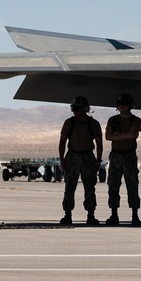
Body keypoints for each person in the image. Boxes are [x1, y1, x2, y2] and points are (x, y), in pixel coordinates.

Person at [58, 96, 103, 225]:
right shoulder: (69, 123)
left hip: (88, 158)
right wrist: (62, 160)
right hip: (72, 157)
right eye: (73, 109)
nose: (74, 112)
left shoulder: (93, 124)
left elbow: (99, 143)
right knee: (69, 187)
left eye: (77, 109)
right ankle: (67, 214)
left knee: (89, 187)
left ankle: (91, 214)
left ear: (85, 109)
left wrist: (98, 160)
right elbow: (62, 142)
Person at [105, 93, 141, 225]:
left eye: (125, 104)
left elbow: (132, 135)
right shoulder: (112, 120)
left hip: (129, 155)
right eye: (120, 103)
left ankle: (135, 215)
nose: (122, 106)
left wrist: (118, 135)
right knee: (113, 185)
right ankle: (114, 214)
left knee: (132, 185)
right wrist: (125, 136)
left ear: (131, 105)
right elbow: (108, 136)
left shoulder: (136, 120)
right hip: (116, 155)